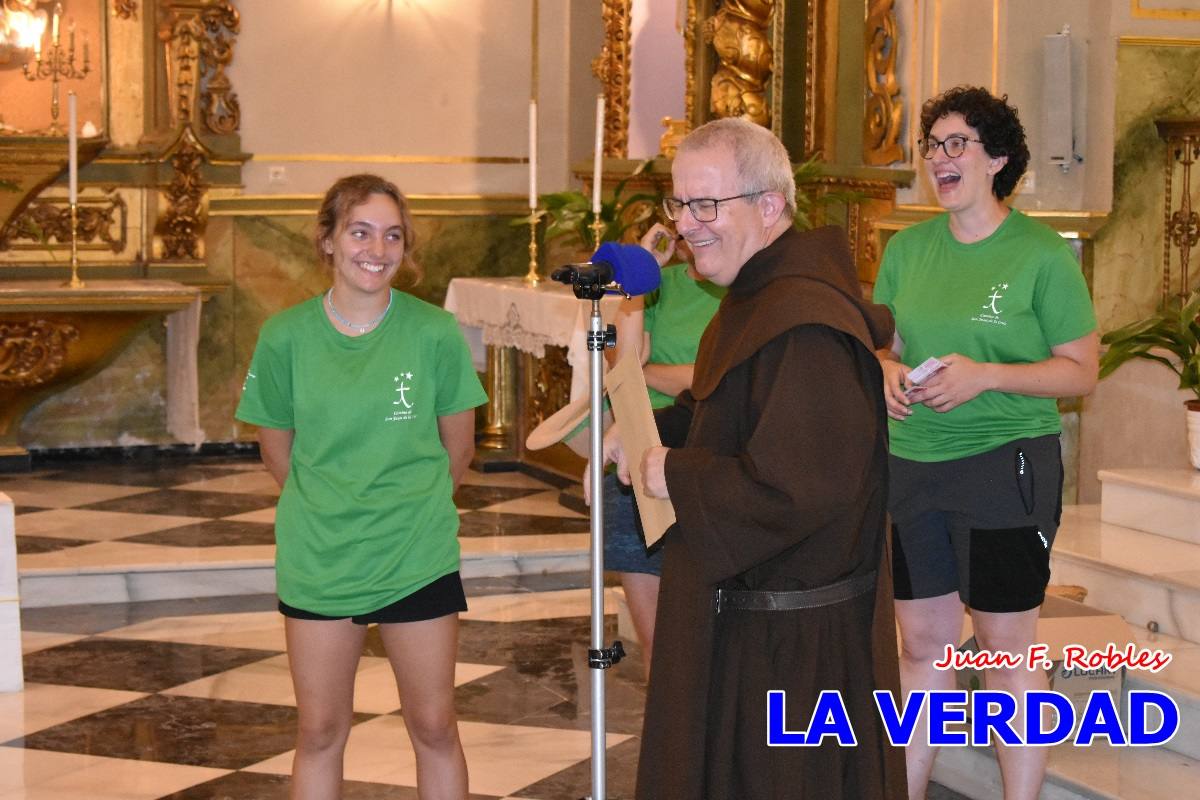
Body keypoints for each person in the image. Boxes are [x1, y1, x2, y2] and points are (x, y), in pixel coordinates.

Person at [601, 117, 906, 799]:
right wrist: (655, 432)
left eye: (707, 204)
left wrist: (670, 473)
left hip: (794, 651)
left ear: (769, 207)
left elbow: (797, 487)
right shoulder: (756, 300)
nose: (686, 225)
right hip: (753, 626)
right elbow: (731, 417)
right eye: (679, 204)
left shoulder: (805, 324)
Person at [872, 87, 1098, 800]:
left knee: (1005, 648)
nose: (940, 158)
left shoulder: (1039, 254)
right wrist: (883, 371)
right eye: (932, 145)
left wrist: (985, 377)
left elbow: (1082, 369)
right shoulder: (906, 250)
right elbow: (885, 346)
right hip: (913, 464)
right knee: (920, 644)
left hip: (1008, 465)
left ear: (997, 159)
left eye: (956, 144)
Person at [236, 174, 487, 800]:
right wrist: (331, 507)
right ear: (328, 240)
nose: (377, 248)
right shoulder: (285, 336)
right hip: (320, 554)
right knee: (319, 731)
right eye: (360, 231)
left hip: (416, 553)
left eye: (392, 234)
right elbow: (276, 446)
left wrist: (412, 508)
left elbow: (459, 446)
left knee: (434, 725)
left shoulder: (433, 333)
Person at [602, 222, 725, 676]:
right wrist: (641, 275)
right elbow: (622, 367)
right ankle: (666, 746)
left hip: (704, 454)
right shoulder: (655, 288)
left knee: (709, 638)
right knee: (658, 643)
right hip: (638, 447)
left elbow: (714, 376)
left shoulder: (740, 290)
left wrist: (650, 374)